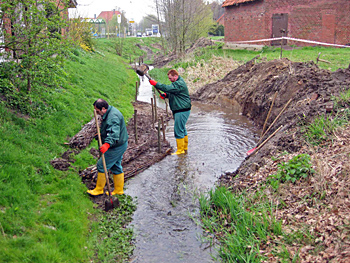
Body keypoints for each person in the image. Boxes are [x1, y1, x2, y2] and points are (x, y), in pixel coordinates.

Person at [87, 99, 128, 196]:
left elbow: (114, 133)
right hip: (120, 143)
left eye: (98, 111)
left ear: (104, 109)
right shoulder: (109, 112)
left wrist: (107, 144)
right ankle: (119, 191)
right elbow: (109, 129)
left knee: (101, 165)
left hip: (116, 146)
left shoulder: (113, 117)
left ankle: (99, 189)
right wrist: (102, 135)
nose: (97, 113)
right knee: (115, 166)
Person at [149, 69, 191, 155]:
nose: (169, 80)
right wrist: (166, 95)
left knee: (178, 129)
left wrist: (156, 84)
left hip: (181, 110)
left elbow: (167, 88)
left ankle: (180, 150)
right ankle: (184, 147)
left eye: (170, 78)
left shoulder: (179, 84)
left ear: (175, 76)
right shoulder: (177, 83)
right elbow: (173, 92)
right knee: (182, 128)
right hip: (181, 109)